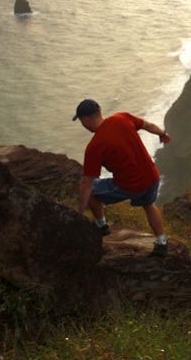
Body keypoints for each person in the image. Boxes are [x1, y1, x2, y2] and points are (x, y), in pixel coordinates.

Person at [73, 98, 171, 256]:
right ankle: (162, 242)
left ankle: (102, 226)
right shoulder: (122, 117)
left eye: (81, 122)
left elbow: (87, 183)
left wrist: (79, 214)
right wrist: (163, 134)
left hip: (130, 185)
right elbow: (149, 126)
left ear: (85, 120)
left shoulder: (94, 147)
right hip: (152, 177)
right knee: (149, 205)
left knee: (91, 191)